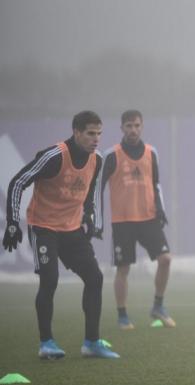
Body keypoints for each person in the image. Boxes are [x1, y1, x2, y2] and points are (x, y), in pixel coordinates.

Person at [2, 111, 119, 359]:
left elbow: (89, 191)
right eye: (90, 133)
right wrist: (13, 223)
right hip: (43, 227)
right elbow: (17, 182)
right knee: (50, 280)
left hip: (71, 228)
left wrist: (89, 215)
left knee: (95, 278)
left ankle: (91, 343)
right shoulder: (54, 156)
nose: (96, 139)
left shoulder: (96, 159)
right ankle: (46, 343)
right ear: (76, 132)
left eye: (99, 133)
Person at [99, 110, 175, 330]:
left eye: (137, 125)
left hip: (149, 218)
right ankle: (123, 315)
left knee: (166, 259)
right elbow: (98, 188)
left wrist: (160, 208)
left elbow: (156, 183)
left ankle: (158, 306)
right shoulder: (111, 155)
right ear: (122, 128)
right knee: (123, 269)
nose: (133, 130)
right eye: (129, 126)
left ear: (142, 127)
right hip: (123, 221)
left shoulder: (152, 153)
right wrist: (94, 217)